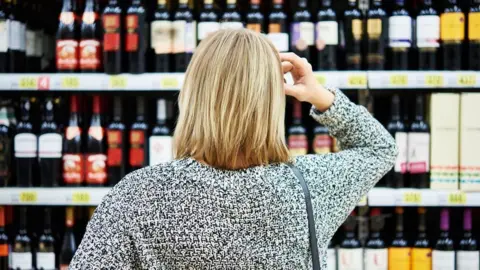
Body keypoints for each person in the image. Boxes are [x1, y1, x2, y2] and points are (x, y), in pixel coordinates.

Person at [70, 29, 397, 269]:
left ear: (193, 94)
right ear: (271, 101)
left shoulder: (138, 195)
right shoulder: (311, 185)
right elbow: (379, 148)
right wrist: (319, 95)